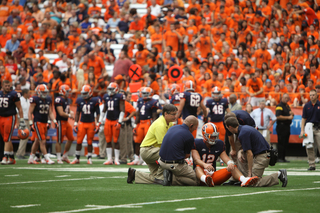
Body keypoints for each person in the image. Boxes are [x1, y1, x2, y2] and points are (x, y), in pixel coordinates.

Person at [225, 117, 288, 187]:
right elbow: (251, 146)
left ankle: (279, 174)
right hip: (262, 153)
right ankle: (242, 178)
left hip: (262, 155)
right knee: (250, 179)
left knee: (253, 182)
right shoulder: (244, 129)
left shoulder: (242, 133)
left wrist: (250, 172)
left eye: (227, 128)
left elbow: (250, 154)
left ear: (230, 127)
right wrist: (240, 151)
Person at [192, 123, 259, 187]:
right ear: (205, 135)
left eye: (215, 136)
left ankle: (244, 180)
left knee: (232, 166)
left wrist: (230, 163)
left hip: (213, 176)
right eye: (211, 136)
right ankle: (205, 179)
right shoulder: (197, 143)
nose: (213, 138)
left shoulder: (219, 144)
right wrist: (205, 165)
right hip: (200, 177)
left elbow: (226, 158)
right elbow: (196, 160)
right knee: (198, 167)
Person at [127, 104, 177, 185]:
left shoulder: (169, 123)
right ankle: (161, 178)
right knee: (168, 153)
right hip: (148, 150)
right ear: (166, 114)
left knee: (157, 178)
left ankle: (134, 174)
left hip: (152, 150)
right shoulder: (160, 125)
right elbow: (164, 145)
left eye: (176, 114)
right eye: (173, 114)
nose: (175, 116)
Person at [158, 115, 199, 186]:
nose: (194, 130)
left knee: (156, 177)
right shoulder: (189, 136)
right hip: (174, 165)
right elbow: (186, 156)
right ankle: (172, 178)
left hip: (161, 161)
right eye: (194, 128)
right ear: (191, 125)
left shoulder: (172, 127)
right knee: (196, 180)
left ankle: (165, 176)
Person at [128, 87, 162, 165]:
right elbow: (138, 113)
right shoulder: (140, 101)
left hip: (148, 122)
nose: (144, 95)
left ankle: (146, 159)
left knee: (148, 142)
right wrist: (135, 124)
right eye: (143, 93)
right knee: (137, 141)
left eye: (146, 93)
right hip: (140, 123)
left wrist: (153, 125)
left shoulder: (154, 102)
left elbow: (154, 115)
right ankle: (137, 158)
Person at [28, 84, 57, 165]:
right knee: (42, 141)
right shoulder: (35, 99)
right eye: (43, 92)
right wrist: (31, 123)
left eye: (45, 92)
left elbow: (50, 112)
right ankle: (46, 158)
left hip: (44, 122)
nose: (45, 94)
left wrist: (54, 120)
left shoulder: (48, 99)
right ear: (39, 92)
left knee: (37, 141)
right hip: (38, 122)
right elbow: (30, 112)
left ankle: (31, 158)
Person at [72, 85, 100, 164]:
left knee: (89, 142)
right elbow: (77, 113)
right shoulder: (80, 100)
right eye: (83, 93)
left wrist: (97, 124)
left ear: (90, 92)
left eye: (85, 93)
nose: (84, 95)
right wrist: (75, 123)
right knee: (79, 141)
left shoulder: (95, 100)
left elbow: (98, 113)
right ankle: (77, 158)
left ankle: (89, 158)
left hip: (91, 123)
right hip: (82, 123)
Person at [100, 82, 125, 165]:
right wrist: (100, 120)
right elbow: (104, 109)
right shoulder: (106, 96)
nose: (110, 91)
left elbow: (122, 110)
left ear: (116, 89)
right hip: (107, 120)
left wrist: (120, 121)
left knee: (115, 140)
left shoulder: (119, 96)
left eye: (111, 89)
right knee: (108, 140)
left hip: (115, 120)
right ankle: (109, 159)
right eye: (109, 89)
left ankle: (116, 159)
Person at [0, 80, 24, 165]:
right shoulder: (0, 93)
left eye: (8, 86)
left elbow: (19, 108)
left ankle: (5, 157)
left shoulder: (14, 94)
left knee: (7, 137)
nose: (7, 87)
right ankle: (12, 158)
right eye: (5, 86)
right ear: (2, 85)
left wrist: (21, 120)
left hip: (10, 117)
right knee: (6, 138)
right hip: (1, 117)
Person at [54, 85, 75, 164]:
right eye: (67, 91)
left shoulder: (66, 100)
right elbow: (61, 113)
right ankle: (59, 158)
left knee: (71, 138)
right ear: (62, 91)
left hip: (66, 122)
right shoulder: (59, 99)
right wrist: (69, 115)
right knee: (59, 140)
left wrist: (71, 112)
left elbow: (67, 110)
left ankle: (64, 156)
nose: (68, 93)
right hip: (60, 121)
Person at [300, 90, 320, 171]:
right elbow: (303, 118)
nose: (311, 96)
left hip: (318, 128)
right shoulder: (306, 105)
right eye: (310, 95)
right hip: (308, 128)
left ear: (316, 95)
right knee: (309, 146)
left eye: (313, 95)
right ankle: (312, 164)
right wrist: (302, 130)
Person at [119, 91, 136, 164]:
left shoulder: (127, 104)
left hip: (126, 124)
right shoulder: (119, 102)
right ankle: (117, 157)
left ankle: (126, 158)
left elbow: (134, 111)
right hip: (118, 123)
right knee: (119, 142)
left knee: (126, 141)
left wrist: (127, 118)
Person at [276, 93, 293, 163]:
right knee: (281, 143)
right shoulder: (279, 106)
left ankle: (283, 158)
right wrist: (288, 117)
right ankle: (279, 157)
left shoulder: (287, 106)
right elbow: (278, 116)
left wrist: (292, 114)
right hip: (281, 126)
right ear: (282, 98)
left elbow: (290, 114)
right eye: (285, 97)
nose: (286, 99)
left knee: (285, 143)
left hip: (287, 126)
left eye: (287, 98)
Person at [16, 89, 30, 159]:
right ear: (25, 93)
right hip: (22, 119)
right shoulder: (20, 100)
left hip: (27, 119)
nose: (29, 94)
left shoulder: (28, 100)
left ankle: (22, 153)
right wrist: (18, 122)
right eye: (28, 93)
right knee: (23, 136)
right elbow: (17, 111)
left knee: (26, 137)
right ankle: (19, 153)